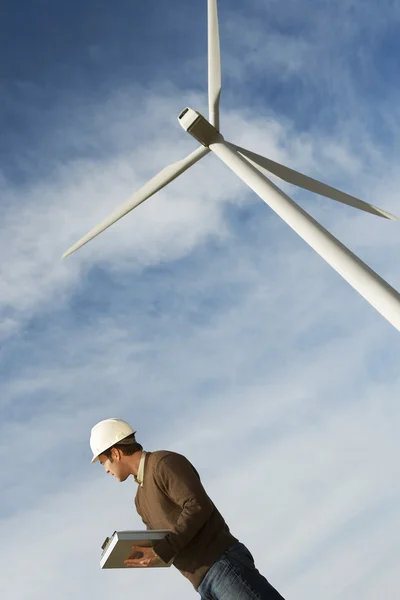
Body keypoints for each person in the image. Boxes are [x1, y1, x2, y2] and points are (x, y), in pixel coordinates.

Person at [90, 418, 285, 600]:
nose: (106, 470)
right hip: (202, 584)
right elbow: (165, 541)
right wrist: (142, 552)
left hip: (221, 565)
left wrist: (164, 549)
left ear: (115, 453)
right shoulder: (140, 501)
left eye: (103, 462)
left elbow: (197, 506)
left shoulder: (163, 463)